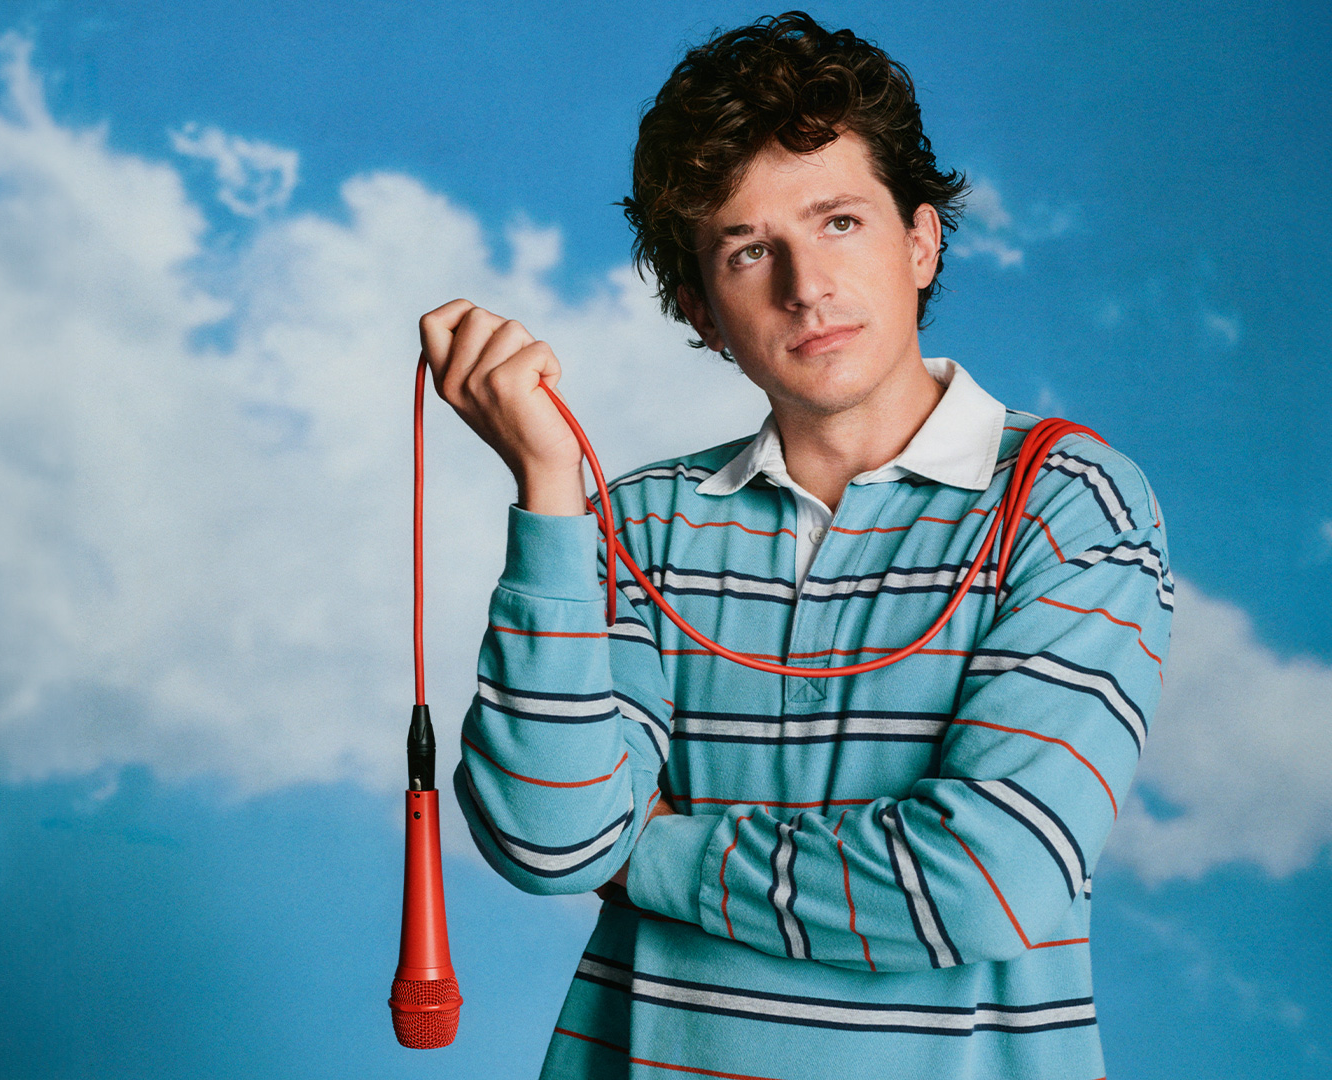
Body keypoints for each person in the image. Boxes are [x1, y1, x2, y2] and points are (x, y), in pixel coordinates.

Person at [420, 12, 1172, 1079]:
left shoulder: (1065, 500)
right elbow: (550, 842)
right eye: (748, 249)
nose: (805, 285)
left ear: (921, 241)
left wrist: (649, 850)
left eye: (840, 222)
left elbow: (982, 886)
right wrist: (549, 494)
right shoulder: (637, 524)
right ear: (701, 311)